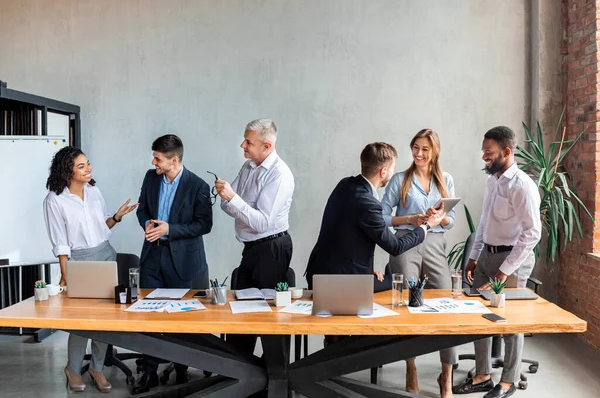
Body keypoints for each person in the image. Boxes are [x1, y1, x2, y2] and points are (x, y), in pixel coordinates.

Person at [453, 126, 541, 398]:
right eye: (483, 152)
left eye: (488, 153)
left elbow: (532, 234)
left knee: (509, 321)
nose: (484, 158)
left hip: (512, 258)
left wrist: (505, 271)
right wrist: (473, 257)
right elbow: (484, 223)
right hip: (487, 256)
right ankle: (482, 376)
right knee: (479, 314)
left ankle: (509, 380)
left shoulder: (522, 186)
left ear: (506, 151)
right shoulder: (492, 180)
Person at [43, 146, 138, 393]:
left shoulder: (94, 191)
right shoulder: (55, 200)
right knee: (81, 321)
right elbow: (61, 243)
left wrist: (116, 217)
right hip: (79, 261)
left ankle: (97, 367)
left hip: (106, 254)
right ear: (68, 170)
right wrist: (66, 274)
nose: (88, 169)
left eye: (88, 163)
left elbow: (103, 226)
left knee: (106, 320)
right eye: (82, 166)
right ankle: (73, 370)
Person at [133, 134, 213, 395]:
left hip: (183, 259)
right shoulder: (150, 177)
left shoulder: (198, 185)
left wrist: (170, 229)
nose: (153, 162)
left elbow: (204, 225)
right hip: (152, 257)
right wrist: (147, 222)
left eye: (158, 158)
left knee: (180, 318)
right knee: (149, 315)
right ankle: (149, 372)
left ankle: (182, 367)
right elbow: (142, 209)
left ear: (174, 160)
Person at [304, 141, 445, 288]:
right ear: (383, 172)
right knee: (398, 283)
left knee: (384, 280)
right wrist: (427, 225)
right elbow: (395, 246)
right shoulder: (368, 204)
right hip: (342, 281)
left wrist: (368, 271)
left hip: (319, 271)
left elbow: (348, 235)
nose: (393, 172)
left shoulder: (345, 184)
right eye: (392, 168)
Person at [381, 129, 457, 397]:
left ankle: (445, 377)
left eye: (425, 149)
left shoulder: (445, 180)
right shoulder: (400, 180)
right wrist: (410, 219)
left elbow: (452, 220)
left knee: (447, 308)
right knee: (407, 305)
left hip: (435, 244)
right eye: (415, 147)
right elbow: (381, 216)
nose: (419, 154)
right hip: (406, 243)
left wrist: (440, 217)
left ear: (434, 151)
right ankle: (410, 366)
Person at [215, 118, 294, 356]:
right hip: (251, 248)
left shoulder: (279, 174)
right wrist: (231, 199)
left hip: (272, 247)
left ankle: (272, 377)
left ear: (267, 146)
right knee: (242, 311)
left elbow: (262, 223)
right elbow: (226, 207)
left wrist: (233, 198)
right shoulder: (248, 167)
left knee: (266, 316)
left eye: (248, 142)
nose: (242, 145)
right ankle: (241, 375)